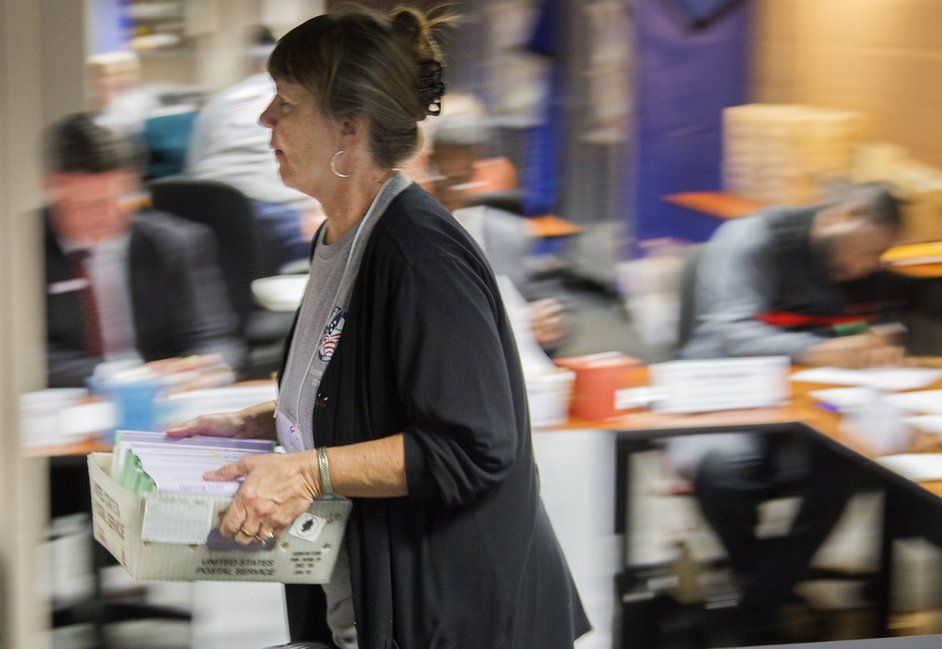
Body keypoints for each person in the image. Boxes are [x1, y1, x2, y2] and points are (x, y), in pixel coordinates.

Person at [167, 7, 590, 649]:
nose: (264, 121)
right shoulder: (339, 239)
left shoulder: (418, 255)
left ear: (348, 130)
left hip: (458, 615)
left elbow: (473, 447)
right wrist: (266, 422)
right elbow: (362, 392)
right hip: (367, 602)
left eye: (284, 103)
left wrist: (308, 470)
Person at [672, 184, 907, 638]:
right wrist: (820, 352)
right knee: (720, 469)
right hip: (731, 397)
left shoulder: (859, 271)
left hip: (813, 409)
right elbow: (729, 335)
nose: (866, 266)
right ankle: (768, 595)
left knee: (849, 463)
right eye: (870, 249)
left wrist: (879, 344)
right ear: (847, 213)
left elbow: (870, 327)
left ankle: (759, 598)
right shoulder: (753, 240)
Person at [44, 113, 246, 387]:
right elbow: (27, 356)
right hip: (76, 402)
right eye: (82, 206)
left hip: (166, 404)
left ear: (131, 187)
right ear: (55, 187)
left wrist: (205, 370)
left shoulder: (173, 243)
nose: (99, 217)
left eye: (109, 201)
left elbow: (217, 339)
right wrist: (123, 377)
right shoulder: (24, 253)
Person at [427, 93, 568, 351]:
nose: (453, 191)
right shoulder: (410, 236)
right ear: (430, 162)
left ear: (477, 166)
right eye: (445, 176)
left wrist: (546, 326)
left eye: (462, 178)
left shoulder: (510, 236)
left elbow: (548, 319)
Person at [186, 26, 323, 276]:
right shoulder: (291, 98)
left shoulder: (220, 100)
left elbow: (193, 165)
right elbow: (309, 160)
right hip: (272, 215)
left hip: (207, 211)